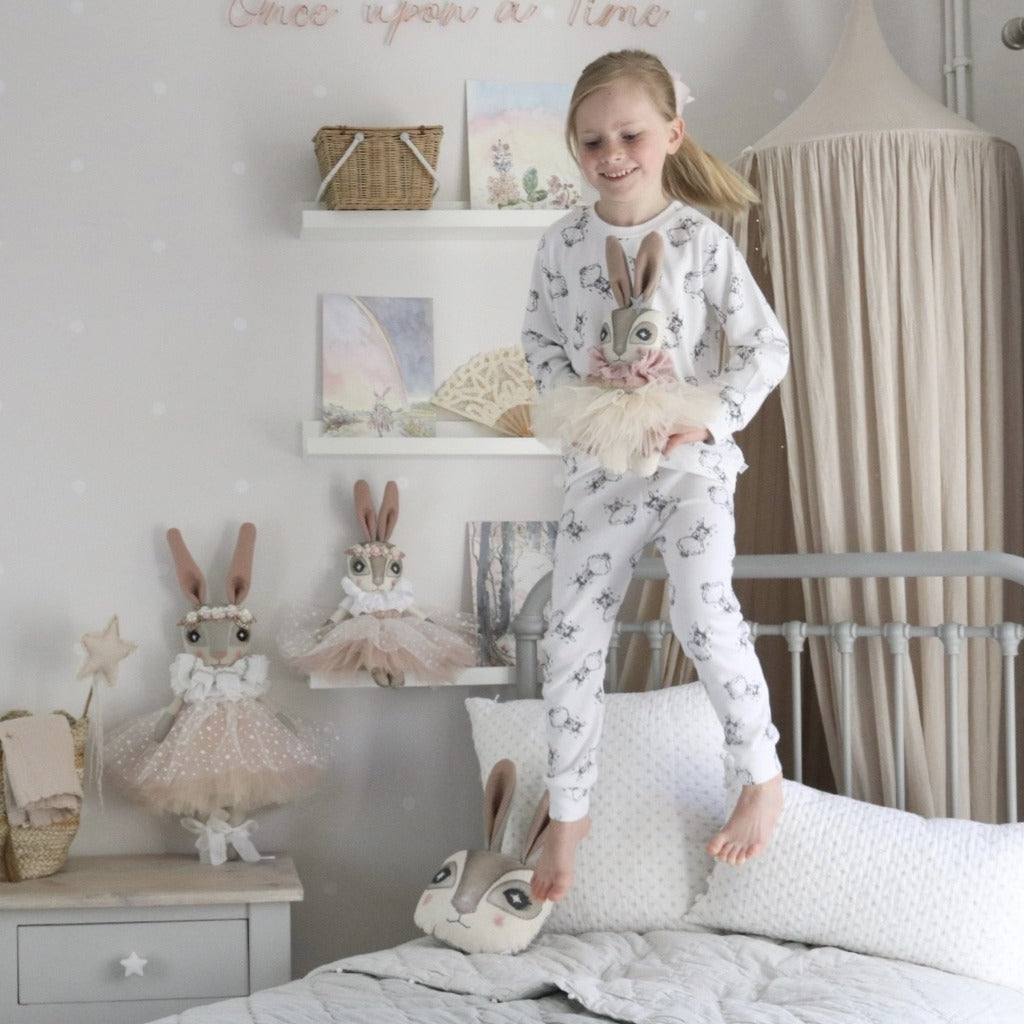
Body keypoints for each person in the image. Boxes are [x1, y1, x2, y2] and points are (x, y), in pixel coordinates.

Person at [521, 49, 789, 903]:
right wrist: (577, 404)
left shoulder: (701, 242)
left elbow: (766, 347)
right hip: (601, 464)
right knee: (569, 631)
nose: (612, 154)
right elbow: (539, 343)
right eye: (592, 140)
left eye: (630, 135)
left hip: (687, 464)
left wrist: (709, 415)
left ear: (672, 134)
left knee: (700, 609)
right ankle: (569, 811)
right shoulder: (562, 244)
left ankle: (760, 772)